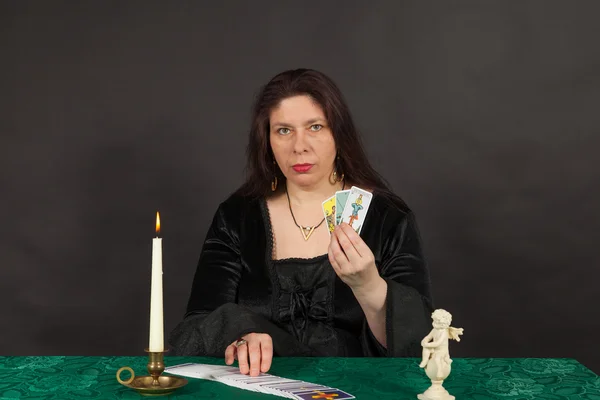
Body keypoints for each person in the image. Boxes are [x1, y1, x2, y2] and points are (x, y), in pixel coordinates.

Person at [169, 68, 434, 377]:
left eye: (315, 127)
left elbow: (423, 347)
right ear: (266, 140)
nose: (299, 146)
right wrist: (241, 332)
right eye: (283, 130)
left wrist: (370, 288)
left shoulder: (388, 218)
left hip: (359, 391)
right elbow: (195, 328)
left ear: (339, 134)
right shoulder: (237, 217)